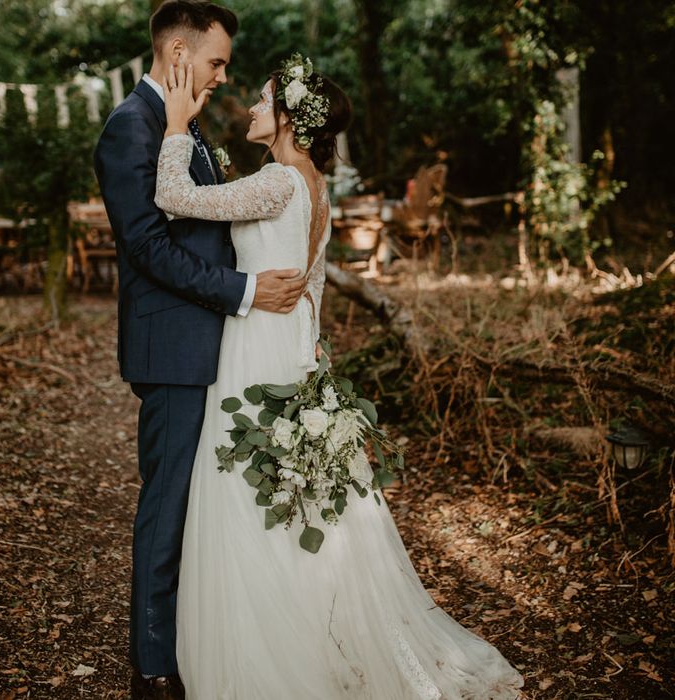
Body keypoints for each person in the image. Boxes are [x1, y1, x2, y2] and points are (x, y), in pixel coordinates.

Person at [154, 53, 526, 699]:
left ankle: (275, 654)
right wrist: (311, 353)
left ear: (291, 118)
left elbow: (171, 198)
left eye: (263, 100)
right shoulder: (312, 182)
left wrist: (176, 126)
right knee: (287, 495)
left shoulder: (277, 181)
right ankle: (302, 632)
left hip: (254, 353)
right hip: (288, 349)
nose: (249, 107)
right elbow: (314, 285)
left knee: (251, 497)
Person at [93, 2, 306, 699]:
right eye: (216, 61)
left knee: (198, 510)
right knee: (167, 510)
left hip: (211, 347)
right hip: (173, 349)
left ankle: (191, 648)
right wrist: (245, 291)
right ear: (178, 54)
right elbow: (150, 249)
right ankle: (153, 671)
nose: (223, 76)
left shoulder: (186, 129)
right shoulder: (130, 128)